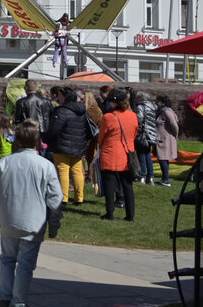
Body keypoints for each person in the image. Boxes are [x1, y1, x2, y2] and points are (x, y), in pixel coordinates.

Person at [0, 120, 63, 307]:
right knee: (25, 265)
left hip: (9, 220)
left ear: (17, 140)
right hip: (33, 223)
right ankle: (18, 303)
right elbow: (55, 199)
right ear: (37, 141)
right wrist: (54, 223)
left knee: (7, 259)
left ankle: (4, 296)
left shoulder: (5, 163)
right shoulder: (45, 166)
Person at [97, 88, 138, 221]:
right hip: (127, 153)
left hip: (111, 153)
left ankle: (110, 213)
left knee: (110, 184)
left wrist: (102, 146)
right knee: (127, 185)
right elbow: (134, 133)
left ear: (114, 102)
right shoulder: (133, 116)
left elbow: (101, 136)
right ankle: (130, 215)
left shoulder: (108, 117)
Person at [47, 88, 92, 204]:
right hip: (78, 145)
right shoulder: (82, 111)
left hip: (62, 145)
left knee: (63, 171)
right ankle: (79, 198)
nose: (58, 98)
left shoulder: (61, 111)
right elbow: (87, 129)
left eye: (60, 95)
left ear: (65, 97)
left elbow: (54, 129)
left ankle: (64, 197)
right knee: (77, 171)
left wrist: (46, 138)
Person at [133, 91, 159, 184]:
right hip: (151, 134)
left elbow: (139, 119)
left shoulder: (141, 106)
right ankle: (150, 177)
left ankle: (142, 176)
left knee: (141, 155)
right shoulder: (153, 106)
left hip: (143, 134)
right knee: (148, 156)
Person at [154, 95, 181, 186]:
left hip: (165, 140)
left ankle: (166, 180)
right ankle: (165, 179)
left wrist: (175, 135)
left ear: (163, 103)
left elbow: (174, 125)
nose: (156, 103)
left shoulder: (166, 112)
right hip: (162, 139)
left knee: (162, 158)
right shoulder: (161, 111)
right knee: (163, 159)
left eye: (158, 101)